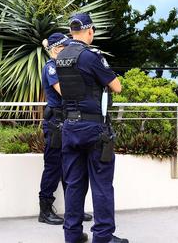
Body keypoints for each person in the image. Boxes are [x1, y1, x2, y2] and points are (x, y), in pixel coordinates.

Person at [55, 13, 127, 243]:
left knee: (74, 184)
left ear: (70, 32)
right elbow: (117, 87)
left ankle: (72, 235)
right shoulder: (91, 56)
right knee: (102, 184)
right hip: (94, 128)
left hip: (70, 126)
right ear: (90, 31)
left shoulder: (61, 55)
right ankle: (103, 237)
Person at [38, 33, 92, 225]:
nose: (68, 50)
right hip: (55, 123)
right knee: (53, 168)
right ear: (55, 49)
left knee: (71, 169)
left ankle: (74, 210)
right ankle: (44, 211)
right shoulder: (51, 68)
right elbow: (66, 92)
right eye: (64, 47)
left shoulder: (64, 66)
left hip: (68, 122)